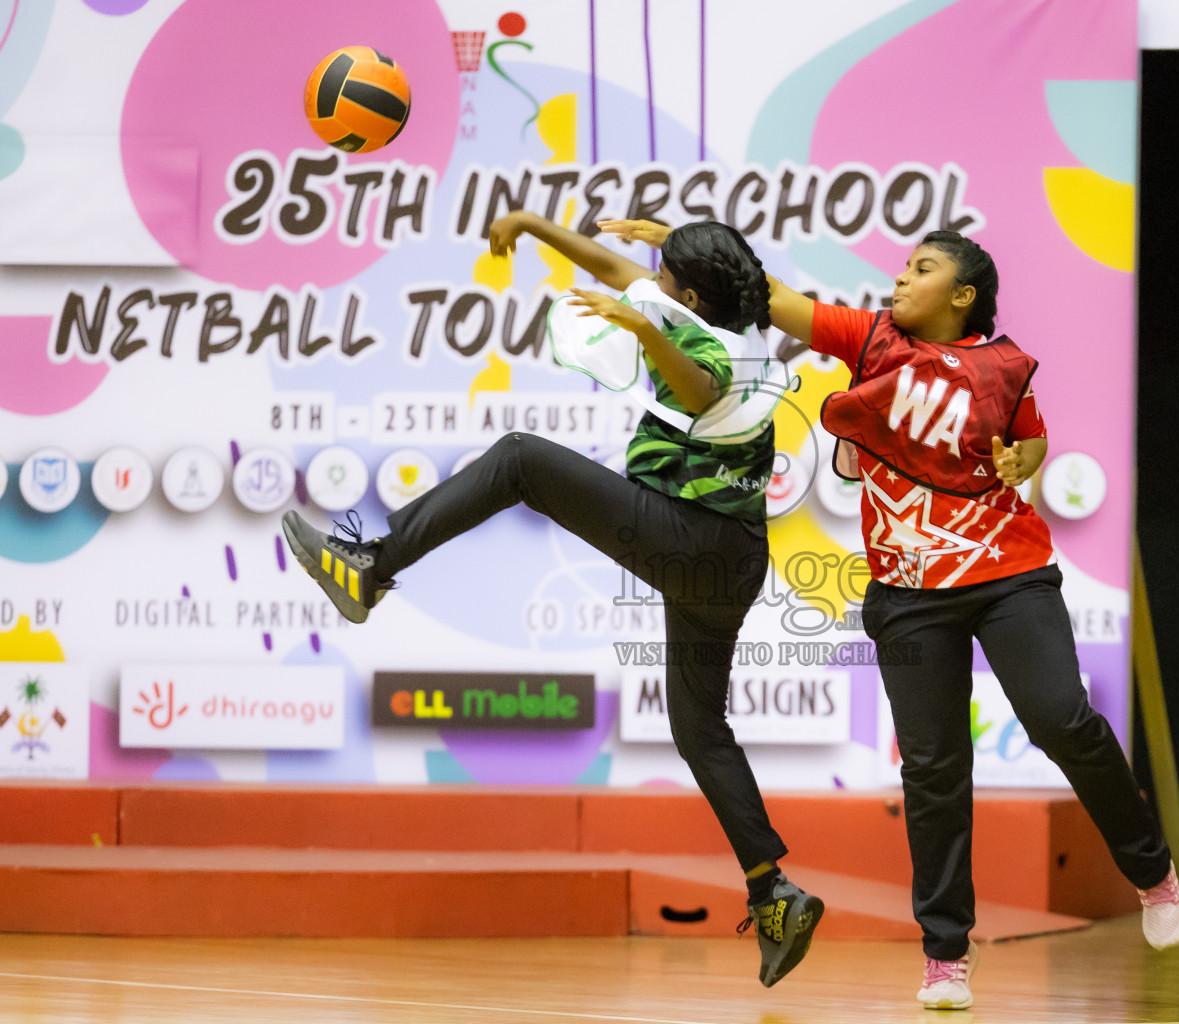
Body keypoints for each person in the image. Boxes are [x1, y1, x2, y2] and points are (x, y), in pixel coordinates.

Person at [612, 220, 1179, 1010]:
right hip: (910, 597)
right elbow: (765, 295)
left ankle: (1151, 871)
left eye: (920, 270)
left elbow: (1031, 441)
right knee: (935, 772)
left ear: (962, 295)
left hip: (1009, 577)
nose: (899, 279)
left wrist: (1029, 458)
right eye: (902, 267)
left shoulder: (1005, 366)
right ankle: (947, 953)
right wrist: (683, 239)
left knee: (1061, 718)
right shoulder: (871, 339)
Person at [281, 211, 823, 988]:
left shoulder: (716, 350)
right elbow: (611, 266)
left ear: (692, 300)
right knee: (699, 726)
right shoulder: (739, 316)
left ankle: (370, 567)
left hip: (689, 539)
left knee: (521, 461)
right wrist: (533, 225)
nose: (651, 282)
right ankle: (773, 891)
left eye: (667, 279)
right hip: (733, 560)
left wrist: (644, 330)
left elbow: (696, 383)